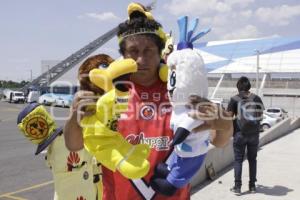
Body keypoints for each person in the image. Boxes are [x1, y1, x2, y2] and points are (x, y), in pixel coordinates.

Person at [64, 2, 233, 200]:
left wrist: (225, 123)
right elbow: (73, 145)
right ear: (123, 55)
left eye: (148, 51)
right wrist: (75, 116)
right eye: (134, 51)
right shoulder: (106, 94)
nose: (141, 60)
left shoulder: (180, 91)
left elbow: (218, 141)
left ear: (160, 52)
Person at [227, 76, 264, 194]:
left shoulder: (234, 99)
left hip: (239, 133)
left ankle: (237, 187)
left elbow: (228, 116)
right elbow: (261, 116)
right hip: (254, 134)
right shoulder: (257, 98)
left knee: (238, 160)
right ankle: (252, 186)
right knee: (252, 159)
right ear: (249, 86)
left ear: (238, 87)